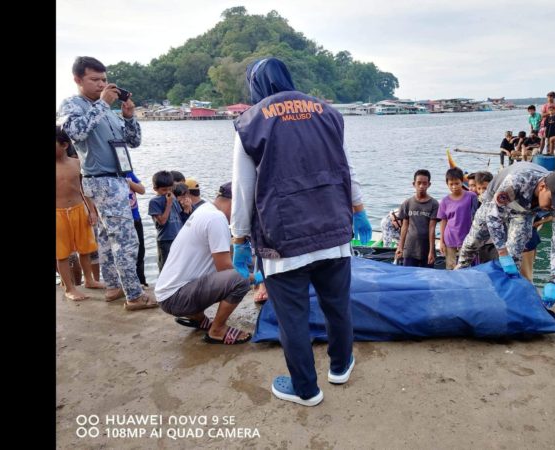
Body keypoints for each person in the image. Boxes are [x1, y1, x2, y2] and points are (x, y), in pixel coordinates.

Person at [230, 57, 371, 406]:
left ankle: (306, 389)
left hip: (283, 238)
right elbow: (346, 169)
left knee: (292, 316)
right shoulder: (328, 113)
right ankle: (340, 366)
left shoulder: (250, 122)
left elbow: (243, 188)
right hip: (333, 232)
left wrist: (238, 238)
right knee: (337, 306)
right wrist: (360, 210)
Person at [57, 56, 156, 310]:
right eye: (94, 79)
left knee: (106, 238)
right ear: (78, 80)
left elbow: (132, 142)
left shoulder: (108, 110)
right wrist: (102, 105)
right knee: (125, 239)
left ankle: (113, 286)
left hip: (116, 179)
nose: (101, 84)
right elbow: (75, 132)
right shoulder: (72, 105)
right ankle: (134, 295)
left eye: (104, 79)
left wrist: (129, 116)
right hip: (101, 181)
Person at [456, 162, 555, 308]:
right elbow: (493, 217)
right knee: (473, 242)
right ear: (542, 187)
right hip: (495, 200)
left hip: (525, 212)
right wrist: (502, 252)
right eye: (553, 201)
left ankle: (505, 298)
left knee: (514, 256)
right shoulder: (517, 181)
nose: (554, 207)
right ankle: (458, 277)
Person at [154, 185, 253, 344]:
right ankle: (217, 330)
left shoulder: (205, 209)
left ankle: (198, 318)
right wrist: (257, 278)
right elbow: (225, 269)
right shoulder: (217, 218)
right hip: (176, 298)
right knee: (240, 281)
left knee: (211, 271)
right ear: (235, 204)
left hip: (166, 293)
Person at [56, 124, 105, 300]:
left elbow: (85, 191)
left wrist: (92, 211)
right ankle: (69, 288)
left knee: (85, 248)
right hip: (58, 213)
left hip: (79, 209)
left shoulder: (77, 163)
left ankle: (89, 280)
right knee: (61, 253)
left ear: (64, 145)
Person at [395, 169, 439, 267]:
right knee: (408, 277)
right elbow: (404, 227)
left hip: (426, 249)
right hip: (409, 249)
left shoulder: (434, 204)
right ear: (414, 184)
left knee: (427, 278)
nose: (421, 186)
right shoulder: (407, 203)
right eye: (419, 183)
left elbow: (432, 228)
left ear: (429, 184)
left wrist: (432, 251)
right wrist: (400, 247)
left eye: (424, 183)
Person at [437, 167, 478, 269]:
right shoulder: (445, 201)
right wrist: (441, 242)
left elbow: (477, 216)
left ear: (462, 182)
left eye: (457, 183)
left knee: (468, 266)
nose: (454, 186)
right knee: (451, 267)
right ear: (447, 184)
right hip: (450, 239)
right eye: (451, 184)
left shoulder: (471, 196)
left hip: (468, 239)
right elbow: (443, 221)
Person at [148, 171, 185, 271]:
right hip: (165, 239)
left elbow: (180, 216)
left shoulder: (172, 197)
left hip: (178, 237)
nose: (168, 192)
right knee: (165, 267)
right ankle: (163, 286)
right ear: (155, 189)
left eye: (170, 189)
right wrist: (168, 204)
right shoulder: (154, 202)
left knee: (179, 266)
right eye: (164, 190)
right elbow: (162, 221)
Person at [125, 171, 147, 287]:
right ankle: (129, 284)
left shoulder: (128, 173)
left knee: (140, 252)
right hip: (122, 221)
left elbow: (142, 190)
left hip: (135, 218)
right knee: (126, 253)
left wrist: (128, 181)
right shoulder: (108, 175)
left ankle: (141, 282)